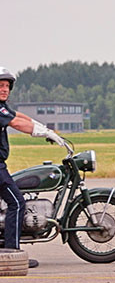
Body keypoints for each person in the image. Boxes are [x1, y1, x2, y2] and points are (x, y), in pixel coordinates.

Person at [0, 67, 66, 268]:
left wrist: (44, 128)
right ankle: (12, 251)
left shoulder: (2, 108)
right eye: (0, 86)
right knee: (17, 202)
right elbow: (17, 124)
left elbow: (19, 117)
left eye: (6, 86)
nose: (4, 90)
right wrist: (42, 133)